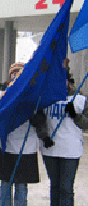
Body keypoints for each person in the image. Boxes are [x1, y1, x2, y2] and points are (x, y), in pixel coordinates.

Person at [0, 62, 53, 206]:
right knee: (5, 183)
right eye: (13, 74)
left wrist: (36, 119)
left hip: (26, 146)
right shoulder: (3, 93)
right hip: (6, 144)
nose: (16, 76)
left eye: (19, 74)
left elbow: (41, 119)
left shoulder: (33, 94)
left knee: (21, 185)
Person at [40, 70, 88, 206]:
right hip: (50, 149)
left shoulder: (80, 99)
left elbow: (86, 124)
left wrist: (75, 115)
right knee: (54, 186)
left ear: (68, 81)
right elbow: (39, 120)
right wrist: (44, 136)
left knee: (66, 188)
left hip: (70, 150)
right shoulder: (45, 98)